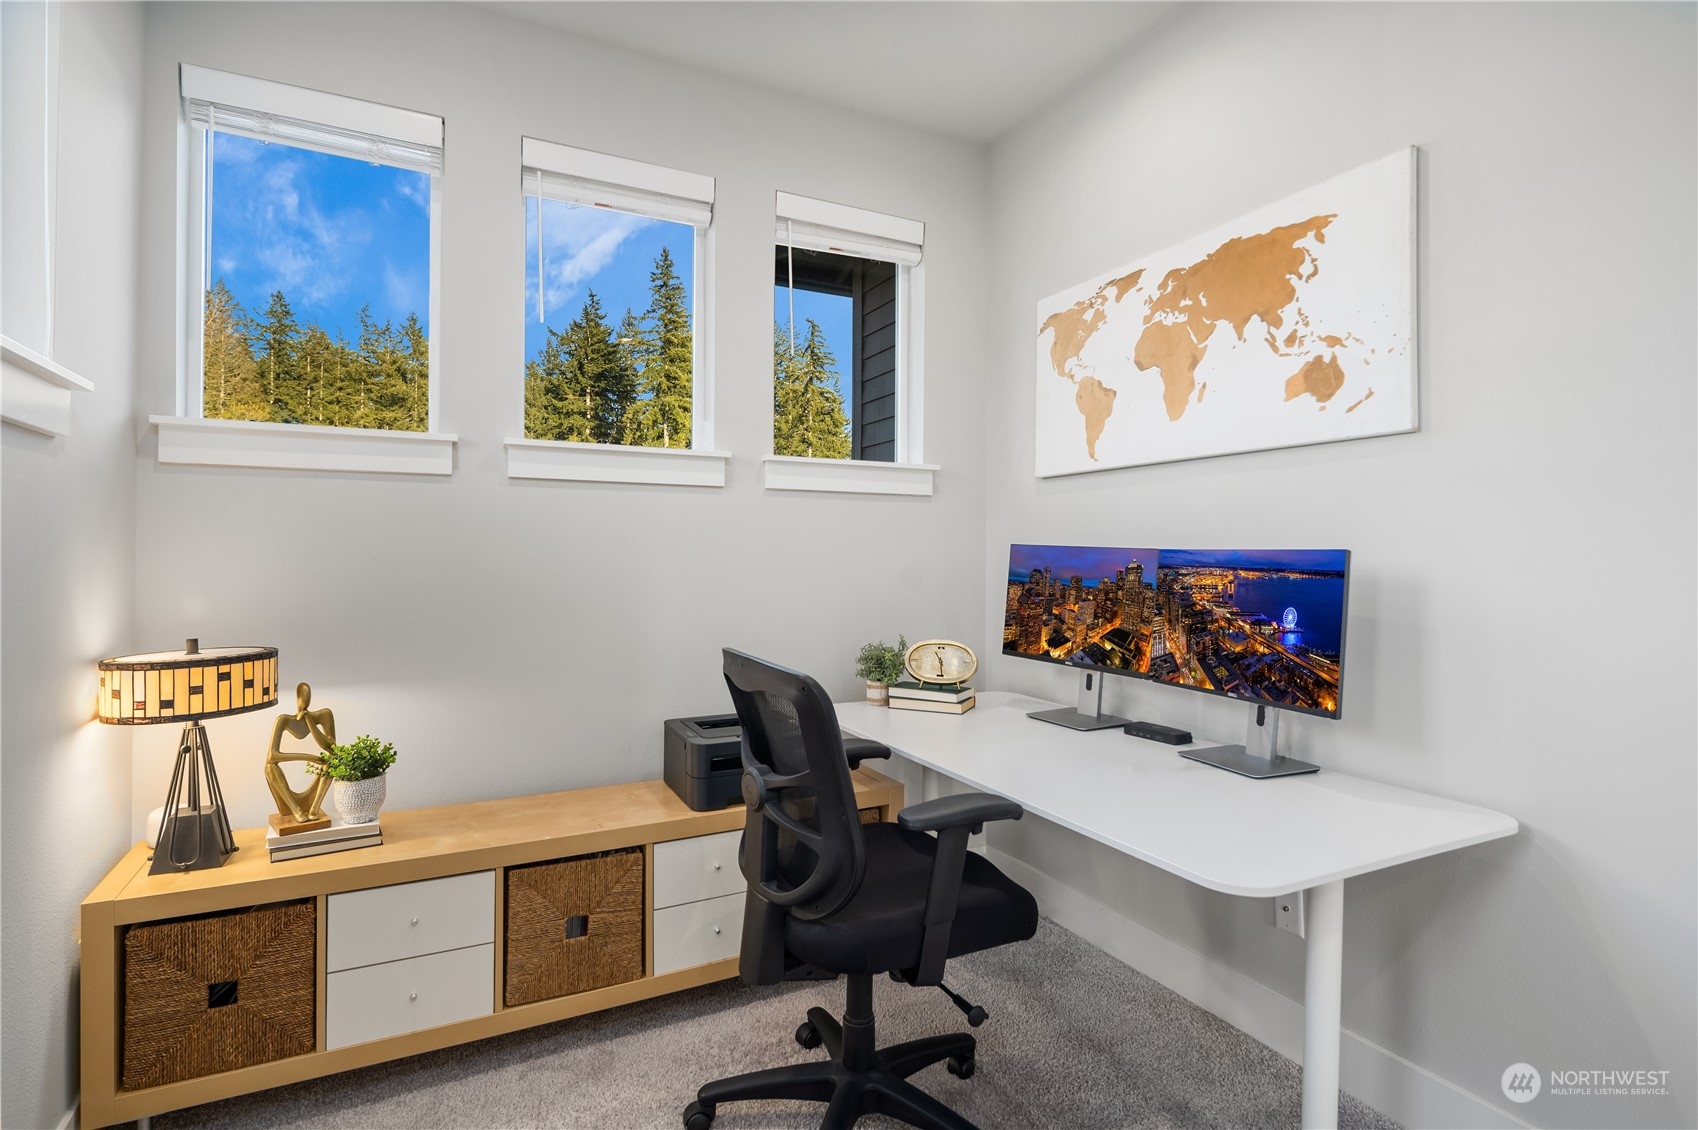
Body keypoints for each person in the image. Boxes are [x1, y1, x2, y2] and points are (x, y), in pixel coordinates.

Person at [266, 682, 335, 825]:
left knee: (333, 760)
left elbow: (332, 748)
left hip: (315, 796)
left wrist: (309, 721)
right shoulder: (283, 720)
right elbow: (272, 756)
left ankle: (314, 807)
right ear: (297, 698)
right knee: (269, 768)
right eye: (302, 697)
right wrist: (311, 758)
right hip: (288, 798)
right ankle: (295, 809)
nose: (305, 701)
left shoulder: (324, 715)